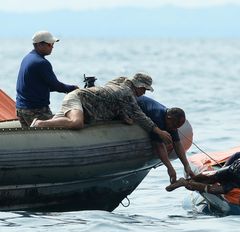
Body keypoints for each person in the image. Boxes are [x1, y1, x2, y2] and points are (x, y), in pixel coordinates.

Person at [31, 73, 173, 145]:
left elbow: (113, 102)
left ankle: (39, 134)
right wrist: (159, 132)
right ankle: (39, 123)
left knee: (59, 127)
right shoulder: (127, 93)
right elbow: (140, 116)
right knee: (76, 123)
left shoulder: (121, 86)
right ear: (139, 86)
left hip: (85, 105)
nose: (144, 93)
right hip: (77, 98)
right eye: (144, 89)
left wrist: (122, 115)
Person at [16, 30, 78, 127]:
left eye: (53, 44)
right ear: (39, 45)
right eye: (50, 44)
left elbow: (40, 86)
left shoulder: (27, 58)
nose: (52, 47)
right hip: (35, 110)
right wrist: (73, 89)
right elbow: (56, 85)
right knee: (57, 132)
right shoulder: (41, 63)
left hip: (21, 109)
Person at [136, 96, 195, 183]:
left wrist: (186, 165)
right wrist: (170, 168)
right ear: (168, 118)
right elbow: (159, 145)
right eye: (174, 126)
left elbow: (177, 143)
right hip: (134, 103)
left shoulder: (171, 122)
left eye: (176, 127)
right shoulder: (157, 118)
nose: (173, 129)